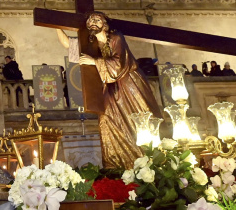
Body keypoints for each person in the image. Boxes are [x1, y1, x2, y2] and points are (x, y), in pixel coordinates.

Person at [56, 12, 162, 169]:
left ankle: (147, 161)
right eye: (90, 20)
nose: (93, 22)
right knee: (107, 118)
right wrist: (55, 24)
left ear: (105, 24)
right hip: (111, 87)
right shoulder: (91, 44)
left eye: (97, 20)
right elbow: (68, 44)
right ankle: (116, 165)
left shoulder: (116, 38)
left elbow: (119, 63)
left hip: (129, 84)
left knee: (138, 118)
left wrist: (94, 61)